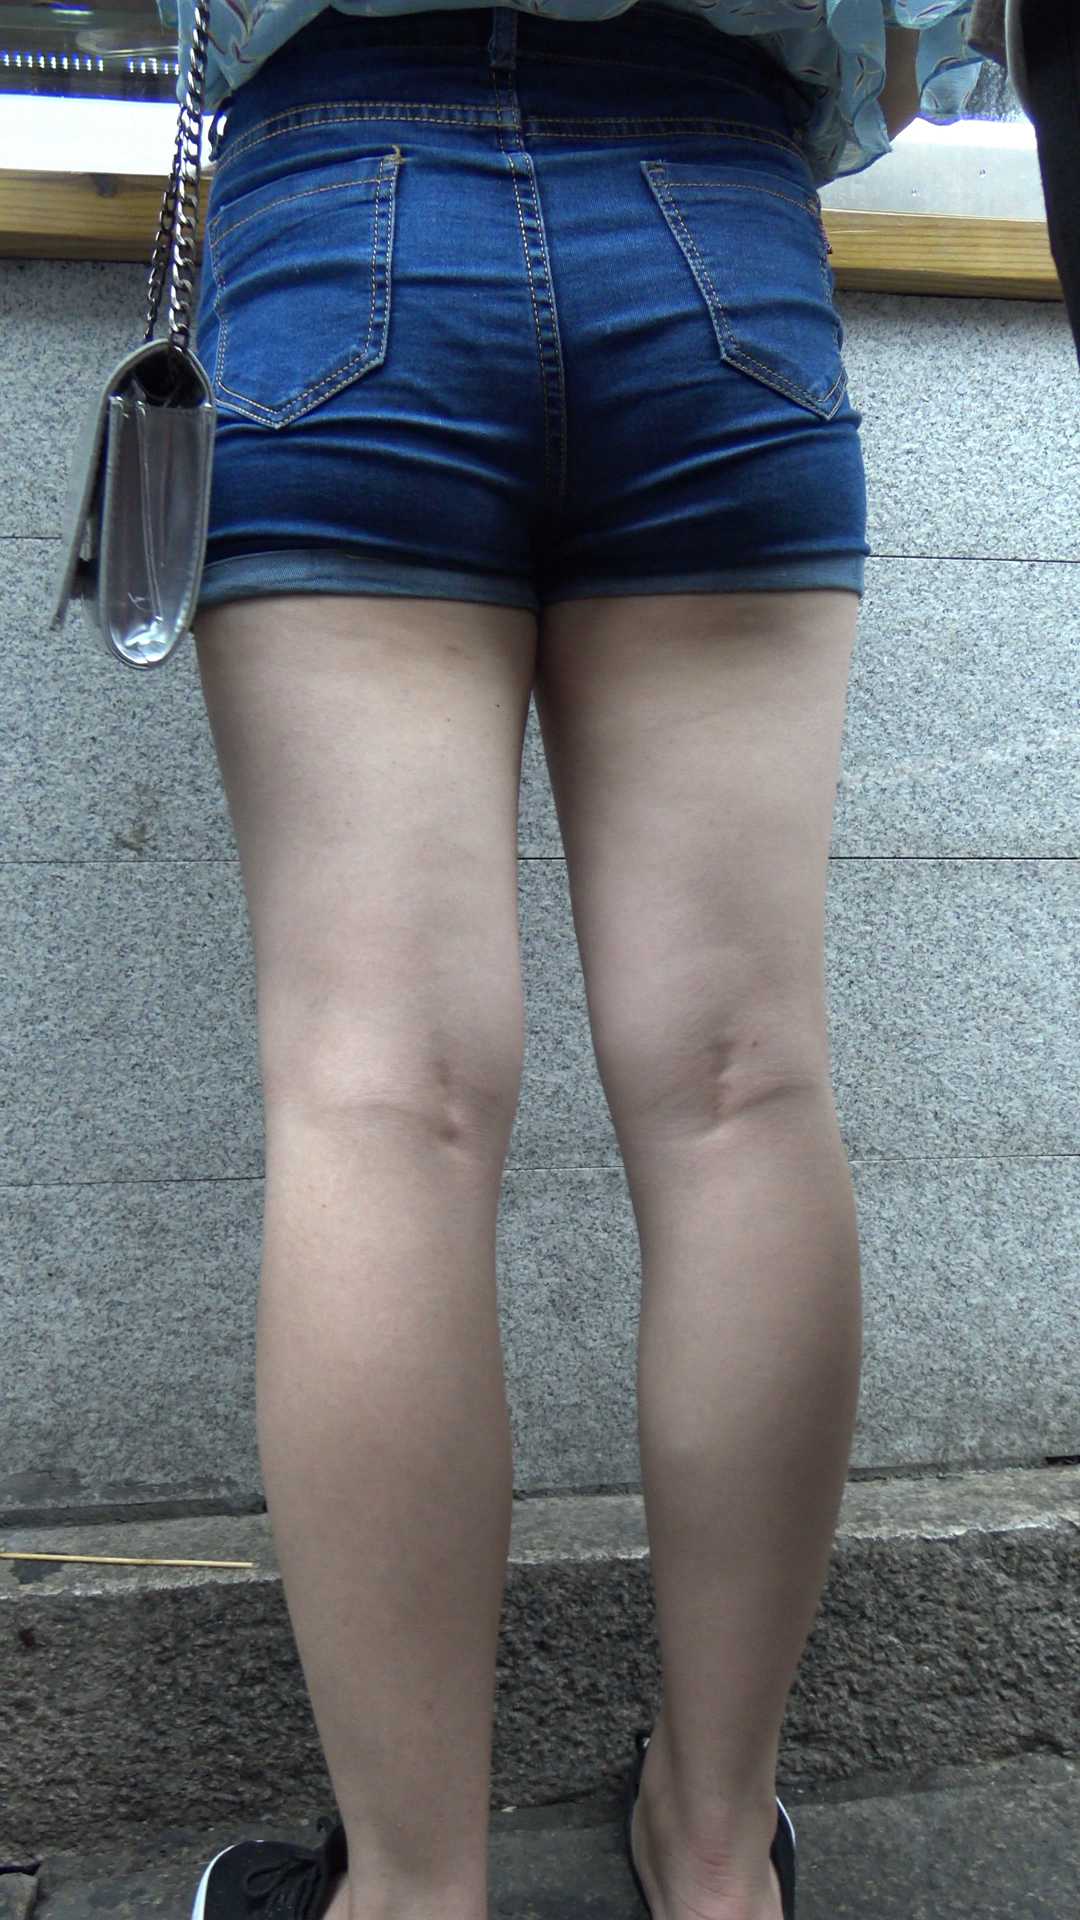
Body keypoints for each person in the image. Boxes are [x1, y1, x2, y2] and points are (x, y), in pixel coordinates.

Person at [166, 5, 986, 1919]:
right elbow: (920, 46)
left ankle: (411, 1898)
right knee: (741, 1089)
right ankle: (717, 1862)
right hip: (716, 226)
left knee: (381, 1099)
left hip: (344, 197)